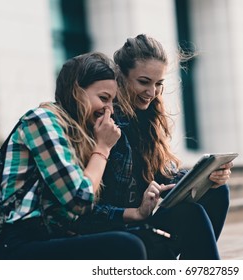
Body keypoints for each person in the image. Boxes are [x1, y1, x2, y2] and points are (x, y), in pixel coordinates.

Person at [0, 52, 147, 260]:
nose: (109, 110)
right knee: (127, 246)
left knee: (145, 238)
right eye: (103, 98)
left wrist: (137, 212)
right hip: (16, 244)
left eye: (112, 102)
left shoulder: (76, 134)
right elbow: (80, 200)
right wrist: (103, 148)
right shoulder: (41, 120)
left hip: (50, 238)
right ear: (76, 92)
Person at [95, 34, 234, 259]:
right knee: (191, 214)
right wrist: (137, 211)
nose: (152, 93)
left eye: (158, 83)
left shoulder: (148, 117)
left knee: (218, 192)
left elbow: (161, 174)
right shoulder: (108, 124)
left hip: (145, 219)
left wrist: (206, 176)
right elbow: (92, 204)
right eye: (143, 82)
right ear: (121, 76)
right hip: (120, 229)